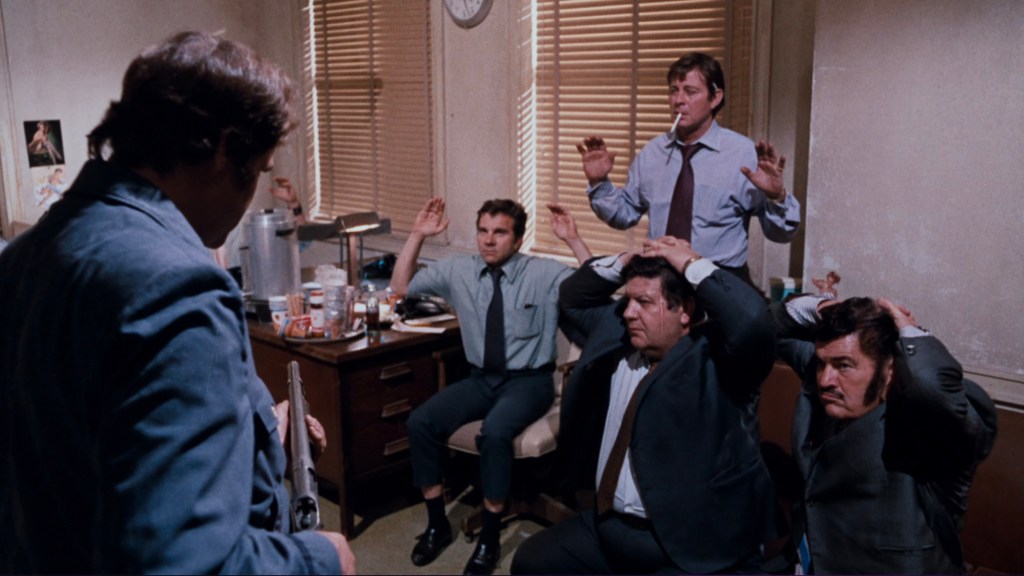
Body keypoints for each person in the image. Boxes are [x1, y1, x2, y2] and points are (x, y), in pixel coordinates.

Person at [0, 31, 355, 574]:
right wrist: (318, 561)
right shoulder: (177, 285)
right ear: (224, 151)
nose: (249, 200)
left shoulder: (24, 256)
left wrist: (258, 438)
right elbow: (185, 559)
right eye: (259, 171)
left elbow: (89, 445)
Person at [511, 236, 778, 574]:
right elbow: (572, 297)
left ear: (685, 310)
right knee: (532, 561)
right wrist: (625, 259)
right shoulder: (618, 334)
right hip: (608, 525)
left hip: (682, 543)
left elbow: (753, 321)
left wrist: (690, 263)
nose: (629, 312)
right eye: (628, 300)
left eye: (644, 302)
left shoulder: (718, 359)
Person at [390, 197, 576, 575]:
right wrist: (417, 235)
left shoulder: (542, 272)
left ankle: (490, 537)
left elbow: (597, 285)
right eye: (483, 231)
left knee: (494, 433)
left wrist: (573, 239)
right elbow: (400, 286)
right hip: (481, 379)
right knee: (421, 422)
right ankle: (437, 525)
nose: (489, 240)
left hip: (529, 381)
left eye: (500, 233)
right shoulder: (459, 269)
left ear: (518, 239)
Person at [771, 294, 997, 573]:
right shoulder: (829, 378)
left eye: (844, 365)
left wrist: (911, 331)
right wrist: (817, 307)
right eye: (821, 363)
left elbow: (933, 388)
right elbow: (765, 328)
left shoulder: (929, 427)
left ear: (890, 370)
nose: (825, 380)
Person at [578, 52, 801, 282]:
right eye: (674, 90)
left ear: (715, 98)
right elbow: (623, 215)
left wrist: (776, 197)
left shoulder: (742, 154)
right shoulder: (653, 153)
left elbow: (782, 234)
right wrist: (599, 182)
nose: (679, 100)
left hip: (718, 279)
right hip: (661, 277)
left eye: (690, 91)